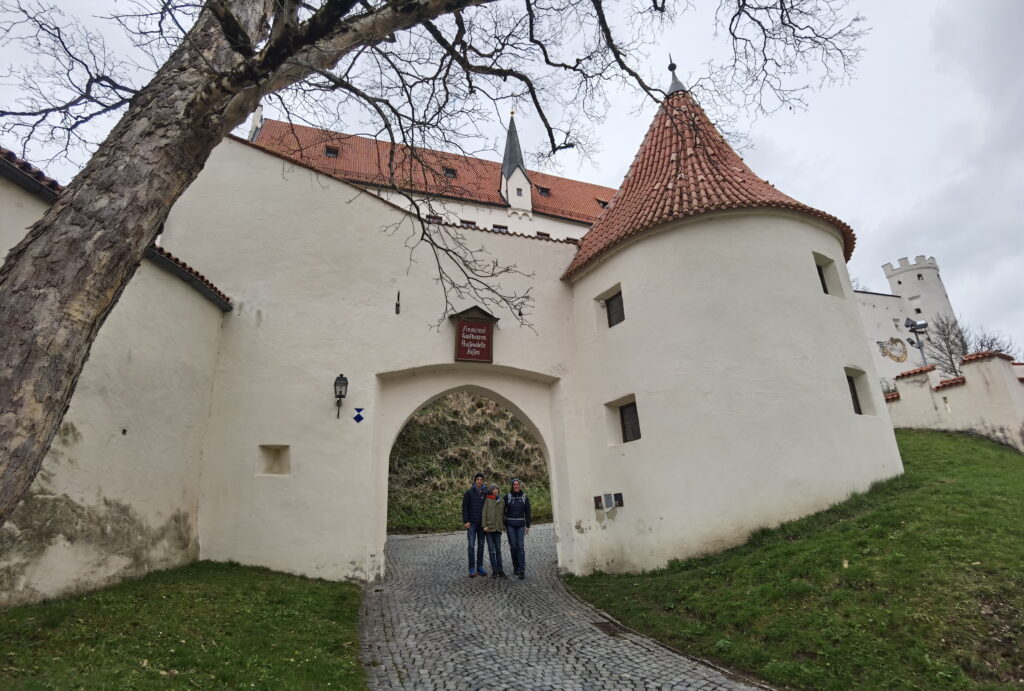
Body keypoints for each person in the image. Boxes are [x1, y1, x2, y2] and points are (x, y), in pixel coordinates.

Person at [504, 478, 531, 579]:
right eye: (514, 484)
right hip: (510, 525)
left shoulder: (524, 497)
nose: (516, 486)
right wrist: (504, 524)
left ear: (520, 486)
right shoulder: (507, 497)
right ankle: (515, 567)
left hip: (520, 525)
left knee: (520, 547)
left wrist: (527, 525)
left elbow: (528, 512)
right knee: (513, 547)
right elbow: (502, 510)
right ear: (512, 486)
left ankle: (522, 569)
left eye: (517, 484)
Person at [462, 473, 488, 577]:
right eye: (477, 479)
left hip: (482, 524)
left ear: (483, 481)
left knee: (481, 546)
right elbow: (465, 507)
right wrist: (466, 521)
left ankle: (480, 567)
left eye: (481, 479)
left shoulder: (486, 492)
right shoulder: (469, 492)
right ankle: (471, 568)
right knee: (471, 546)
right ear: (475, 481)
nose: (479, 481)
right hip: (471, 523)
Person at [481, 483, 507, 579]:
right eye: (494, 489)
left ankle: (500, 570)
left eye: (497, 489)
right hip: (489, 529)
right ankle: (494, 571)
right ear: (491, 491)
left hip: (498, 529)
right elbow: (483, 514)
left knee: (498, 550)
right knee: (491, 551)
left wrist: (503, 525)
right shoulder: (487, 500)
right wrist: (484, 526)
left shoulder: (502, 501)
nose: (496, 490)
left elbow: (503, 515)